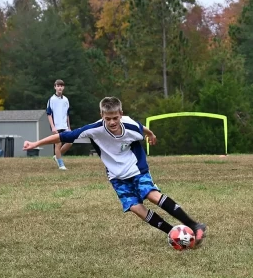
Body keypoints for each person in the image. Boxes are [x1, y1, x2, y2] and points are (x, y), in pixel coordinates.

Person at [25, 96, 206, 246]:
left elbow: (141, 128)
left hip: (136, 168)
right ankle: (173, 233)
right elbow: (63, 136)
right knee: (136, 207)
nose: (112, 122)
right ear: (102, 115)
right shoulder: (94, 129)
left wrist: (151, 135)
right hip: (116, 176)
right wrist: (35, 144)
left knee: (151, 195)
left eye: (115, 117)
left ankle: (194, 225)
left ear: (121, 114)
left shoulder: (130, 124)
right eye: (107, 118)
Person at [46, 79, 73, 170]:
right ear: (55, 87)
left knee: (70, 142)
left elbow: (67, 114)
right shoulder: (52, 100)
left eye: (61, 86)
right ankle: (61, 165)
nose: (60, 87)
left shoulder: (66, 100)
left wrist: (69, 127)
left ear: (63, 87)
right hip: (56, 126)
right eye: (58, 86)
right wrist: (53, 127)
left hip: (64, 126)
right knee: (58, 144)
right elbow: (49, 114)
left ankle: (57, 156)